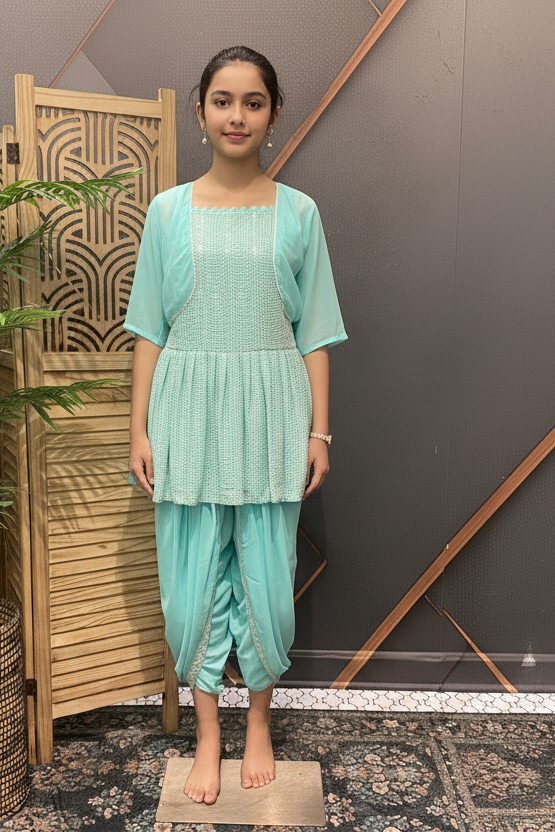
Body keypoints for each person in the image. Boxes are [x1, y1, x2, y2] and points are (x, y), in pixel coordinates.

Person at [123, 45, 348, 806]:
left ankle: (257, 724)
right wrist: (138, 431)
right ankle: (207, 735)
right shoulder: (166, 212)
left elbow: (314, 334)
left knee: (266, 584)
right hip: (185, 412)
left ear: (273, 114)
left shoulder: (299, 213)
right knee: (189, 589)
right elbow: (148, 331)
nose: (237, 116)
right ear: (200, 110)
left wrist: (319, 433)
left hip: (271, 413)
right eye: (223, 100)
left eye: (253, 102)